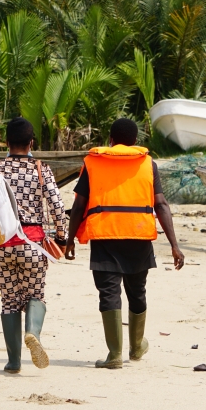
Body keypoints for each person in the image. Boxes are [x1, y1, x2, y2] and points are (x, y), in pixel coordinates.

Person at [65, 118, 185, 369]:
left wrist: (70, 240)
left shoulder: (93, 162)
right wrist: (174, 245)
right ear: (134, 143)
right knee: (137, 291)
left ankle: (115, 354)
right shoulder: (147, 164)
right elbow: (161, 204)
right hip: (137, 234)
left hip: (105, 235)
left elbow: (78, 205)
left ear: (110, 140)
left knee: (109, 293)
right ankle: (137, 347)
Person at [0, 117, 69, 373]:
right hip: (33, 244)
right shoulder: (40, 168)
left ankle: (14, 362)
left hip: (2, 244)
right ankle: (32, 332)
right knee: (36, 295)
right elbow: (57, 207)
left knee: (9, 301)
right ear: (31, 142)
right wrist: (62, 237)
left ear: (6, 142)